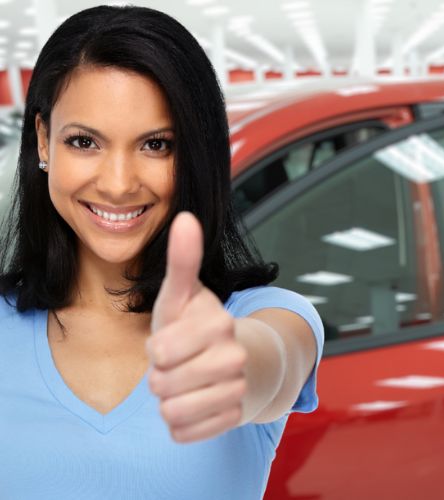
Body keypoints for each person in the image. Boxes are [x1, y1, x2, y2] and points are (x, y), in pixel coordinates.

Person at [0, 5, 323, 500]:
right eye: (85, 141)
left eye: (156, 145)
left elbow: (274, 362)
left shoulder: (266, 315)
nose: (117, 183)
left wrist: (233, 365)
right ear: (44, 141)